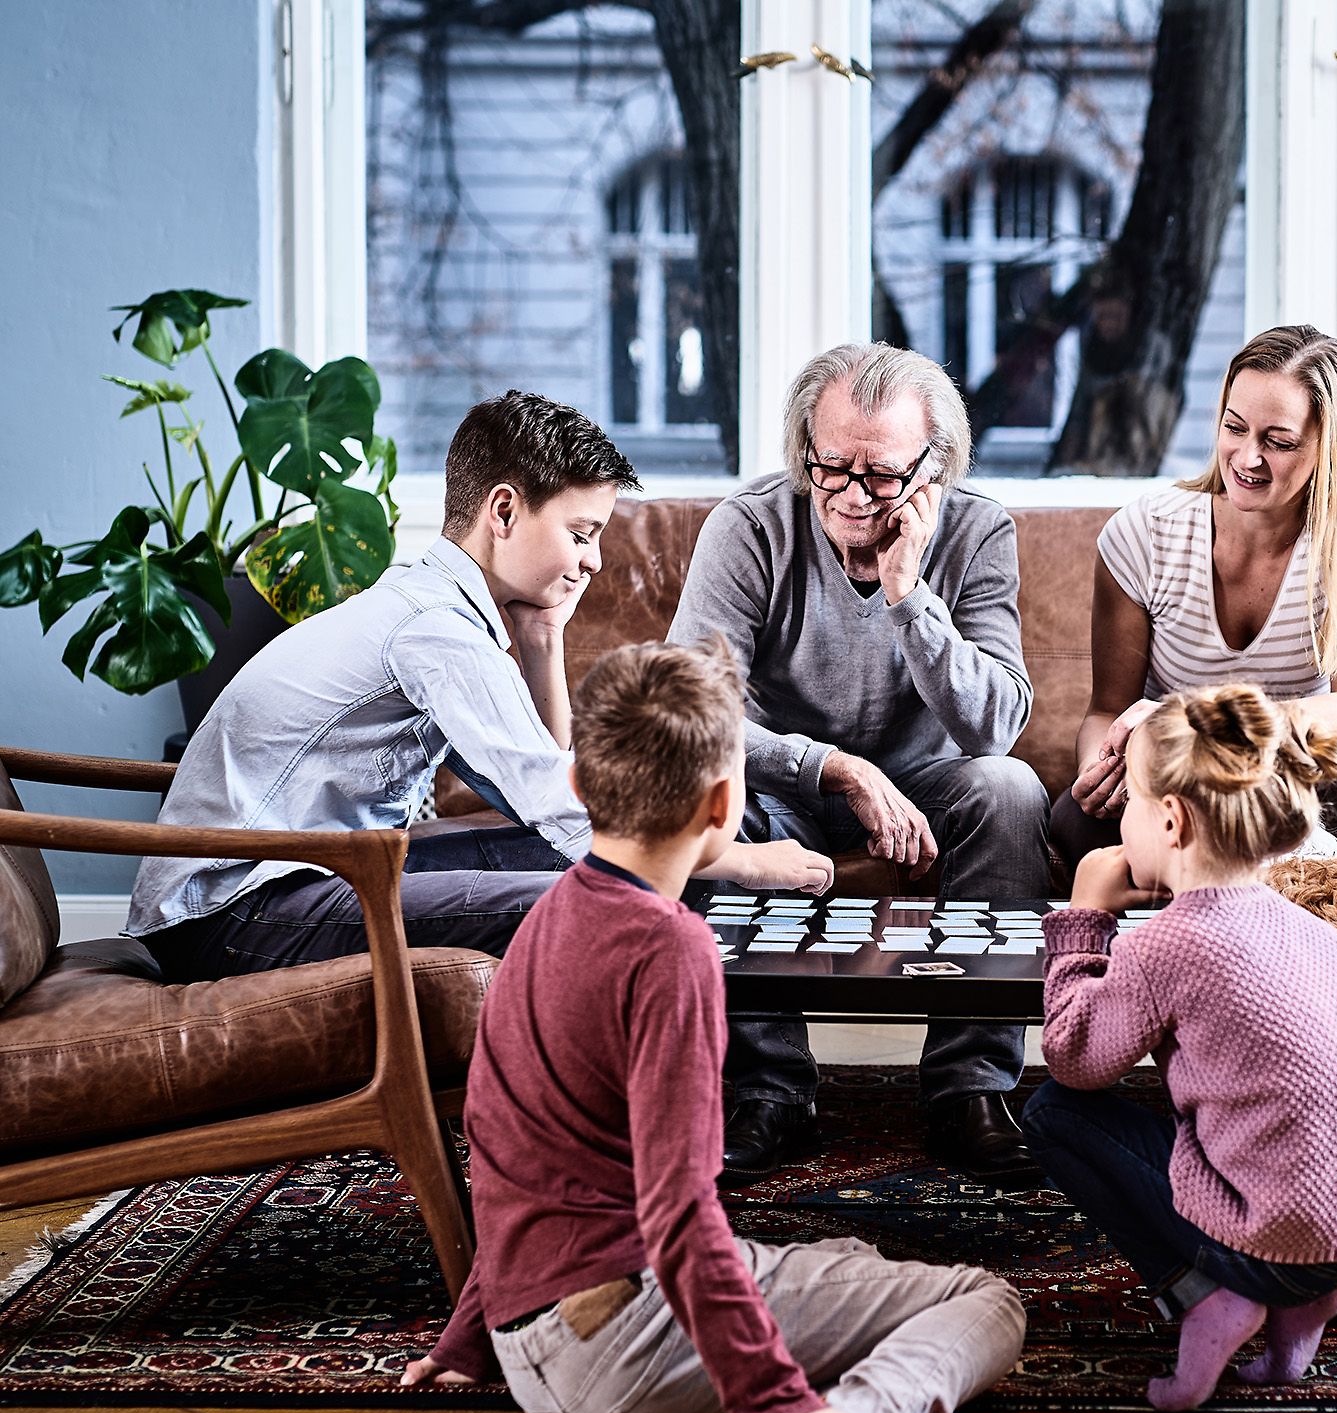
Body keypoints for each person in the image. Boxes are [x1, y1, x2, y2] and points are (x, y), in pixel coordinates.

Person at [402, 641, 1026, 1413]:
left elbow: (504, 1144)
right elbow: (680, 1215)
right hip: (610, 1346)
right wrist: (778, 1410)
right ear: (725, 806)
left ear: (577, 782)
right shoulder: (672, 948)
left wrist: (467, 1346)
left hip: (525, 1341)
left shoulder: (543, 919)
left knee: (842, 1253)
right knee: (985, 1301)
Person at [127, 390, 829, 980]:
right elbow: (563, 809)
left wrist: (542, 638)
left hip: (316, 877)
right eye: (582, 533)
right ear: (502, 512)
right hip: (233, 913)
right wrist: (742, 860)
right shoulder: (436, 630)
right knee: (633, 889)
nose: (593, 562)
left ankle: (721, 1082)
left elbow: (550, 792)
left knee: (630, 856)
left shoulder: (432, 605)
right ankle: (621, 1103)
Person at [669, 342, 1051, 1186]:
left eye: (878, 476)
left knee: (1012, 791)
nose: (846, 494)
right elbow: (690, 714)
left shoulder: (980, 530)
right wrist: (834, 768)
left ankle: (970, 1086)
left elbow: (997, 724)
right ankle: (766, 1090)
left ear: (933, 469)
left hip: (931, 786)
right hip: (782, 785)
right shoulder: (749, 527)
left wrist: (912, 598)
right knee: (703, 802)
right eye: (829, 466)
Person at [1021, 685, 1337, 1413]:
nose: (1124, 828)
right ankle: (1300, 1312)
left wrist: (1082, 917)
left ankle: (1208, 1293)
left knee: (1054, 1112)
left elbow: (1074, 1056)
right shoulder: (1316, 930)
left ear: (1171, 821)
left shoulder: (1172, 942)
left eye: (1135, 809)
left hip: (1267, 1242)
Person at [1051, 325, 1337, 868]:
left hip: (1290, 768)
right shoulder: (1144, 532)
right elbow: (1107, 710)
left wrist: (1209, 723)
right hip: (1179, 775)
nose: (1247, 458)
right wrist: (1101, 769)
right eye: (1234, 428)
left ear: (1328, 445)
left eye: (1279, 442)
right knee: (1074, 822)